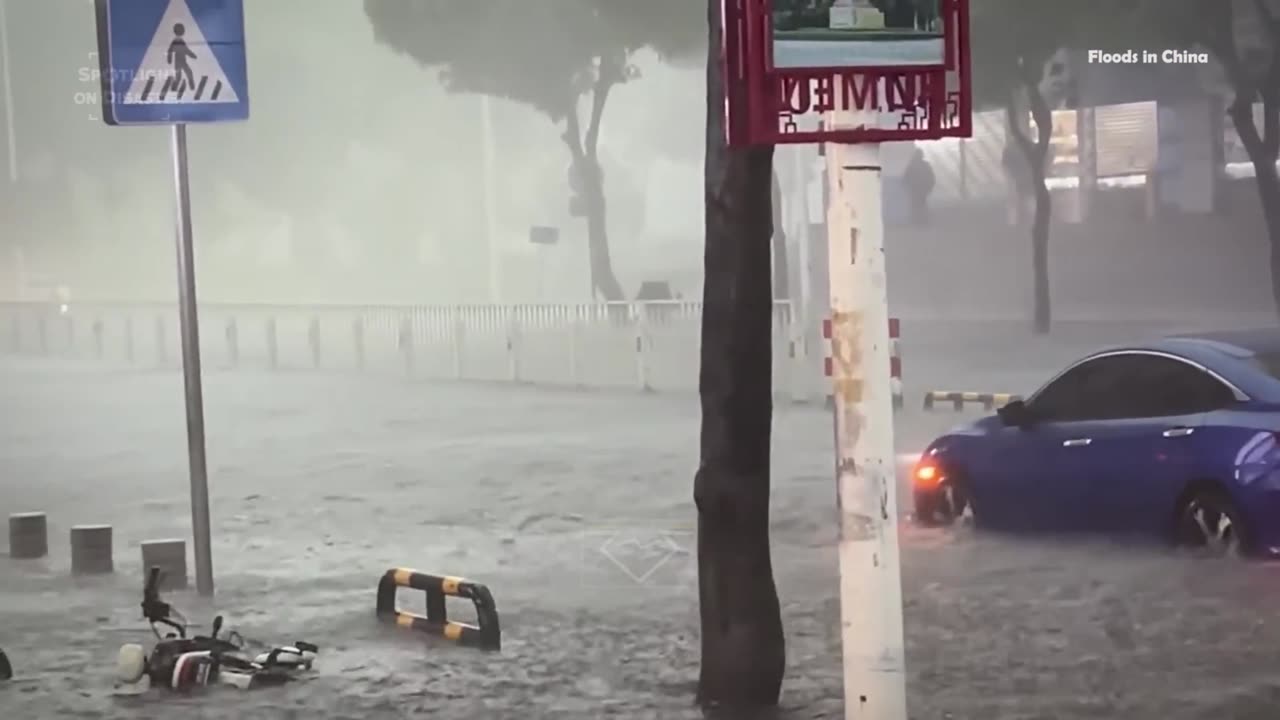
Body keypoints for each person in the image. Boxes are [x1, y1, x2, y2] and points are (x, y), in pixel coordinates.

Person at [903, 148, 935, 225]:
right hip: (922, 189)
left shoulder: (912, 165)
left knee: (916, 206)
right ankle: (922, 222)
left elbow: (906, 177)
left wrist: (908, 187)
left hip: (916, 189)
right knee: (921, 206)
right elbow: (931, 178)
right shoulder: (925, 165)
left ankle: (917, 221)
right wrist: (929, 187)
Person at [167, 23, 197, 91]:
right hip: (180, 61)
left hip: (181, 61)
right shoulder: (178, 41)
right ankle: (176, 87)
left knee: (186, 73)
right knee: (184, 74)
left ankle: (189, 85)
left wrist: (169, 59)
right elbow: (186, 50)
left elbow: (170, 50)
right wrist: (192, 55)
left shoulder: (177, 41)